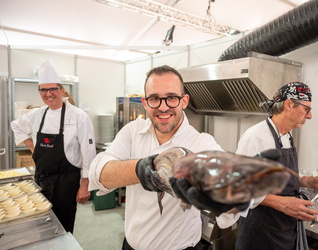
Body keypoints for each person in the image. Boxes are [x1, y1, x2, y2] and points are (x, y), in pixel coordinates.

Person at [88, 65, 227, 250]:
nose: (163, 107)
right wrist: (141, 169)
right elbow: (98, 173)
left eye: (171, 98)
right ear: (145, 103)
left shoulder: (201, 143)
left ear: (184, 101)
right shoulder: (133, 132)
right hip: (129, 246)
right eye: (154, 98)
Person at [232, 82, 318, 250]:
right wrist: (281, 203)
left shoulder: (286, 136)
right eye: (306, 109)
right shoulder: (256, 138)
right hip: (260, 233)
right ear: (289, 104)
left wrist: (308, 181)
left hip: (284, 230)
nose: (309, 116)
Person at [11, 59, 96, 233]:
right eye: (43, 89)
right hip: (41, 179)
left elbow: (88, 153)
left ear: (62, 90)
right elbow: (16, 125)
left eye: (53, 89)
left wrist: (85, 185)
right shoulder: (37, 114)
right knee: (41, 224)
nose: (48, 94)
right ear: (39, 92)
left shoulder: (79, 116)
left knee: (62, 229)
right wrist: (34, 149)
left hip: (66, 183)